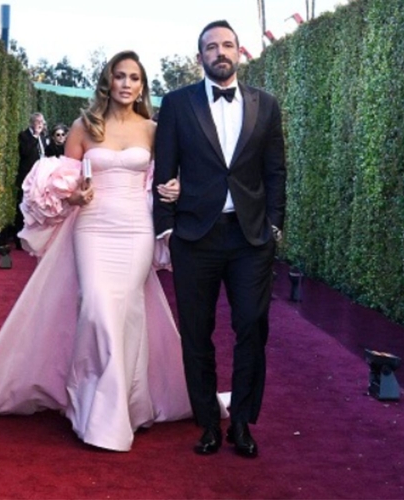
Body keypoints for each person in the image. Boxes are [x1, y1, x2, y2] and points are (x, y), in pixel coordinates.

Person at [0, 50, 207, 452]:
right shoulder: (83, 126)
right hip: (92, 227)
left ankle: (125, 406)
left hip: (135, 229)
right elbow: (61, 185)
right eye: (120, 76)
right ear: (108, 81)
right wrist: (74, 196)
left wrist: (173, 188)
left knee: (126, 312)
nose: (127, 84)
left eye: (135, 78)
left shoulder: (153, 130)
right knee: (95, 308)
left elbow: (166, 179)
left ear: (143, 86)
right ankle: (90, 404)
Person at [152, 20, 286, 458]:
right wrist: (167, 228)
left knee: (251, 326)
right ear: (200, 57)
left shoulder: (266, 106)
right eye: (211, 47)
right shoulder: (175, 104)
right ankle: (208, 422)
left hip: (250, 238)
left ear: (239, 52)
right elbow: (164, 172)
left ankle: (242, 422)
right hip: (195, 236)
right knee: (197, 332)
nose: (220, 52)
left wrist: (274, 226)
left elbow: (275, 171)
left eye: (227, 45)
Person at [15, 112, 48, 248]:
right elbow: (25, 152)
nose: (40, 125)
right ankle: (19, 240)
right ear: (32, 123)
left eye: (42, 122)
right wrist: (34, 136)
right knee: (23, 208)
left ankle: (34, 239)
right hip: (26, 178)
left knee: (37, 209)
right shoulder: (24, 136)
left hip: (39, 178)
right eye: (38, 122)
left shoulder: (43, 137)